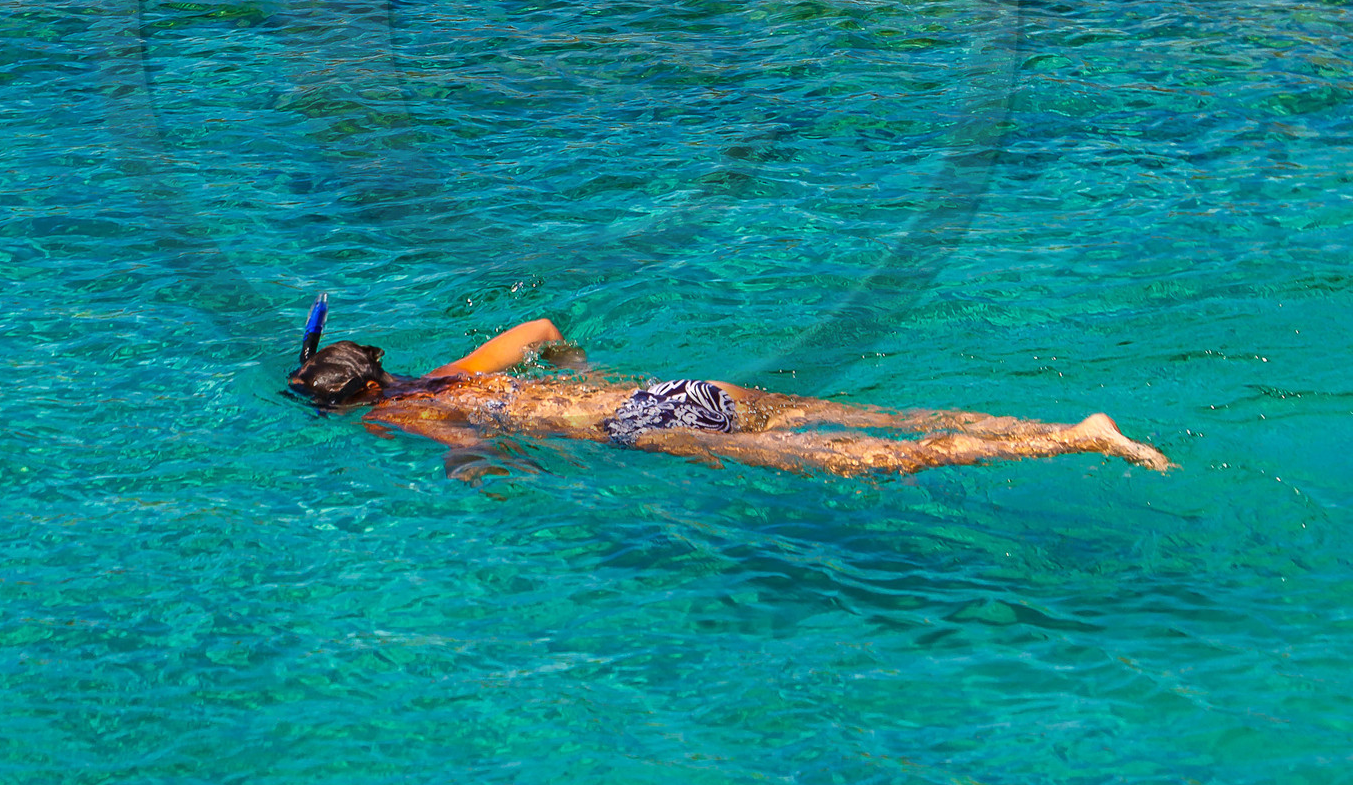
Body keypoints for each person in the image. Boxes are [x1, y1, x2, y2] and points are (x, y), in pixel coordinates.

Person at [288, 299, 1173, 479]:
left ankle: (1079, 437)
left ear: (350, 400)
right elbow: (544, 328)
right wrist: (576, 374)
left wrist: (474, 473)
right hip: (677, 388)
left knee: (869, 462)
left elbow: (471, 444)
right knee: (885, 418)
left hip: (644, 430)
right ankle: (1057, 423)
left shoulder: (406, 412)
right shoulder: (452, 372)